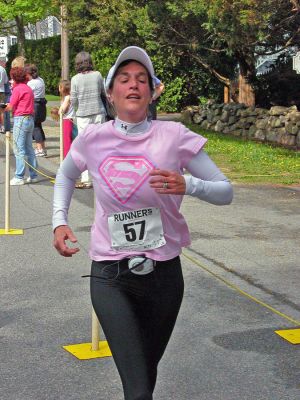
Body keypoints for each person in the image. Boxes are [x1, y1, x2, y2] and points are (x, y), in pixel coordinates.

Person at [53, 46, 233, 400]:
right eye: (124, 79)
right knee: (137, 390)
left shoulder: (174, 136)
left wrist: (188, 184)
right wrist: (59, 221)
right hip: (110, 275)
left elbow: (224, 191)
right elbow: (64, 176)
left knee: (145, 378)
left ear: (152, 91)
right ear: (111, 93)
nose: (133, 85)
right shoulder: (93, 138)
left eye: (141, 80)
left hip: (164, 276)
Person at [70, 51, 106, 188]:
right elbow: (103, 92)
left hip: (83, 115)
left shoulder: (75, 79)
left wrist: (77, 109)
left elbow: (74, 100)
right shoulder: (97, 75)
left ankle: (86, 178)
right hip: (98, 112)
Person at [0, 67, 38, 185]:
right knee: (29, 149)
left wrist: (2, 108)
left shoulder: (17, 89)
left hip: (20, 119)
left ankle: (19, 176)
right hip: (30, 119)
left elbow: (10, 106)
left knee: (18, 149)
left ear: (14, 77)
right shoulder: (28, 88)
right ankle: (33, 175)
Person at [25, 64, 47, 157]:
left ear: (28, 73)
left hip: (36, 105)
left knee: (36, 128)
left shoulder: (31, 83)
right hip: (41, 105)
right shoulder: (40, 79)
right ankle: (43, 148)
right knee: (39, 126)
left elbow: (27, 95)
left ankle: (40, 149)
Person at [58, 79, 77, 158]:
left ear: (62, 88)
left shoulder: (67, 98)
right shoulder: (69, 97)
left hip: (66, 120)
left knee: (66, 140)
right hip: (69, 119)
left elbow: (63, 110)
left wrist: (59, 111)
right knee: (68, 139)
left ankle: (67, 157)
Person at [0, 64, 8, 133]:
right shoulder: (3, 69)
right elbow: (6, 81)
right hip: (1, 91)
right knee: (2, 111)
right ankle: (2, 127)